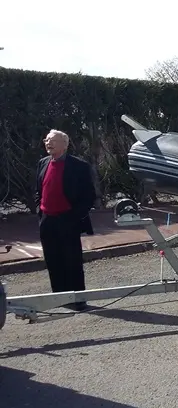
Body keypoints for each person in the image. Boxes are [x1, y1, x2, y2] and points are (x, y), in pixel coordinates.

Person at [33, 129, 97, 311]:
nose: (48, 143)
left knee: (72, 260)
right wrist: (40, 211)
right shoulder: (42, 163)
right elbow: (38, 191)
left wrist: (74, 216)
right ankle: (59, 297)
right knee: (53, 259)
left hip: (68, 219)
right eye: (46, 140)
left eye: (52, 140)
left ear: (64, 144)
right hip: (47, 219)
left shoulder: (79, 166)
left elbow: (89, 196)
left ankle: (78, 299)